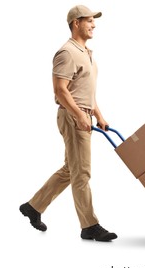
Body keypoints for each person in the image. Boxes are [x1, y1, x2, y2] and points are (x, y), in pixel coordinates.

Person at [20, 5, 117, 242]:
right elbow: (60, 91)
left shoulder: (86, 53)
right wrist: (81, 116)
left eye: (94, 21)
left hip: (84, 114)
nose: (94, 24)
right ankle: (89, 225)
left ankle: (33, 206)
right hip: (73, 117)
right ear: (76, 23)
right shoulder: (66, 52)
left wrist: (98, 115)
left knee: (70, 169)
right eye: (89, 21)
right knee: (82, 173)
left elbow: (86, 92)